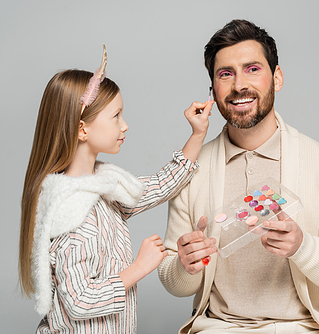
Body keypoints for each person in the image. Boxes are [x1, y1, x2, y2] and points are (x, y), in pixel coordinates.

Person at [158, 20, 319, 334]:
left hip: (304, 327)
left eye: (253, 69)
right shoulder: (191, 171)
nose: (239, 85)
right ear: (213, 90)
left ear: (277, 77)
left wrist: (302, 247)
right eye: (225, 74)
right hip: (220, 328)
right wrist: (185, 264)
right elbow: (174, 280)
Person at [19, 47, 214, 334]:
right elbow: (79, 302)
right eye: (116, 116)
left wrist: (197, 134)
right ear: (82, 130)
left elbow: (160, 186)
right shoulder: (71, 213)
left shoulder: (104, 189)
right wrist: (139, 267)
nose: (125, 125)